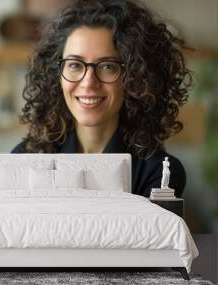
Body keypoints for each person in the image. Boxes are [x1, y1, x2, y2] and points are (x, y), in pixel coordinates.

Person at [11, 0, 192, 198]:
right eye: (75, 65)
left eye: (107, 66)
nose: (88, 82)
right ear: (56, 75)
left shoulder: (159, 174)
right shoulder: (25, 160)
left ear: (135, 78)